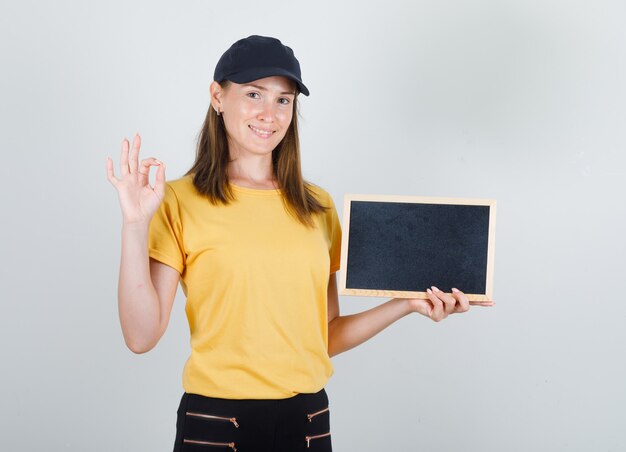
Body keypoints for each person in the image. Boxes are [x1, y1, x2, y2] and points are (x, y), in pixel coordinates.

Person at [106, 35, 494, 452]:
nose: (268, 114)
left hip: (307, 422)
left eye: (283, 100)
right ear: (218, 96)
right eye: (253, 94)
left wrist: (406, 303)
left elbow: (324, 336)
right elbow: (140, 336)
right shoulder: (179, 200)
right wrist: (134, 225)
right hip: (216, 423)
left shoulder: (318, 207)